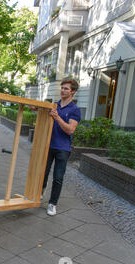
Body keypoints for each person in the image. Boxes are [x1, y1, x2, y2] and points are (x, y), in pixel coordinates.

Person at [39, 79, 81, 216]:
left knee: (58, 177)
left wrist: (57, 118)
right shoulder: (54, 105)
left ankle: (52, 204)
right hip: (48, 145)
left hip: (63, 148)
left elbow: (70, 130)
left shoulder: (75, 110)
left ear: (73, 92)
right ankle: (41, 191)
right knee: (43, 173)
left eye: (66, 89)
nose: (63, 90)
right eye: (62, 88)